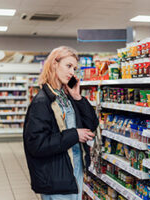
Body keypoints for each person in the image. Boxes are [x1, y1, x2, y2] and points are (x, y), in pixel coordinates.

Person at [23, 46, 99, 200]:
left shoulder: (66, 97)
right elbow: (36, 145)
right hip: (56, 176)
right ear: (54, 64)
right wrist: (74, 135)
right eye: (68, 66)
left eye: (75, 68)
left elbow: (91, 125)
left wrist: (78, 98)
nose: (72, 72)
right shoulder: (42, 102)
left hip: (73, 170)